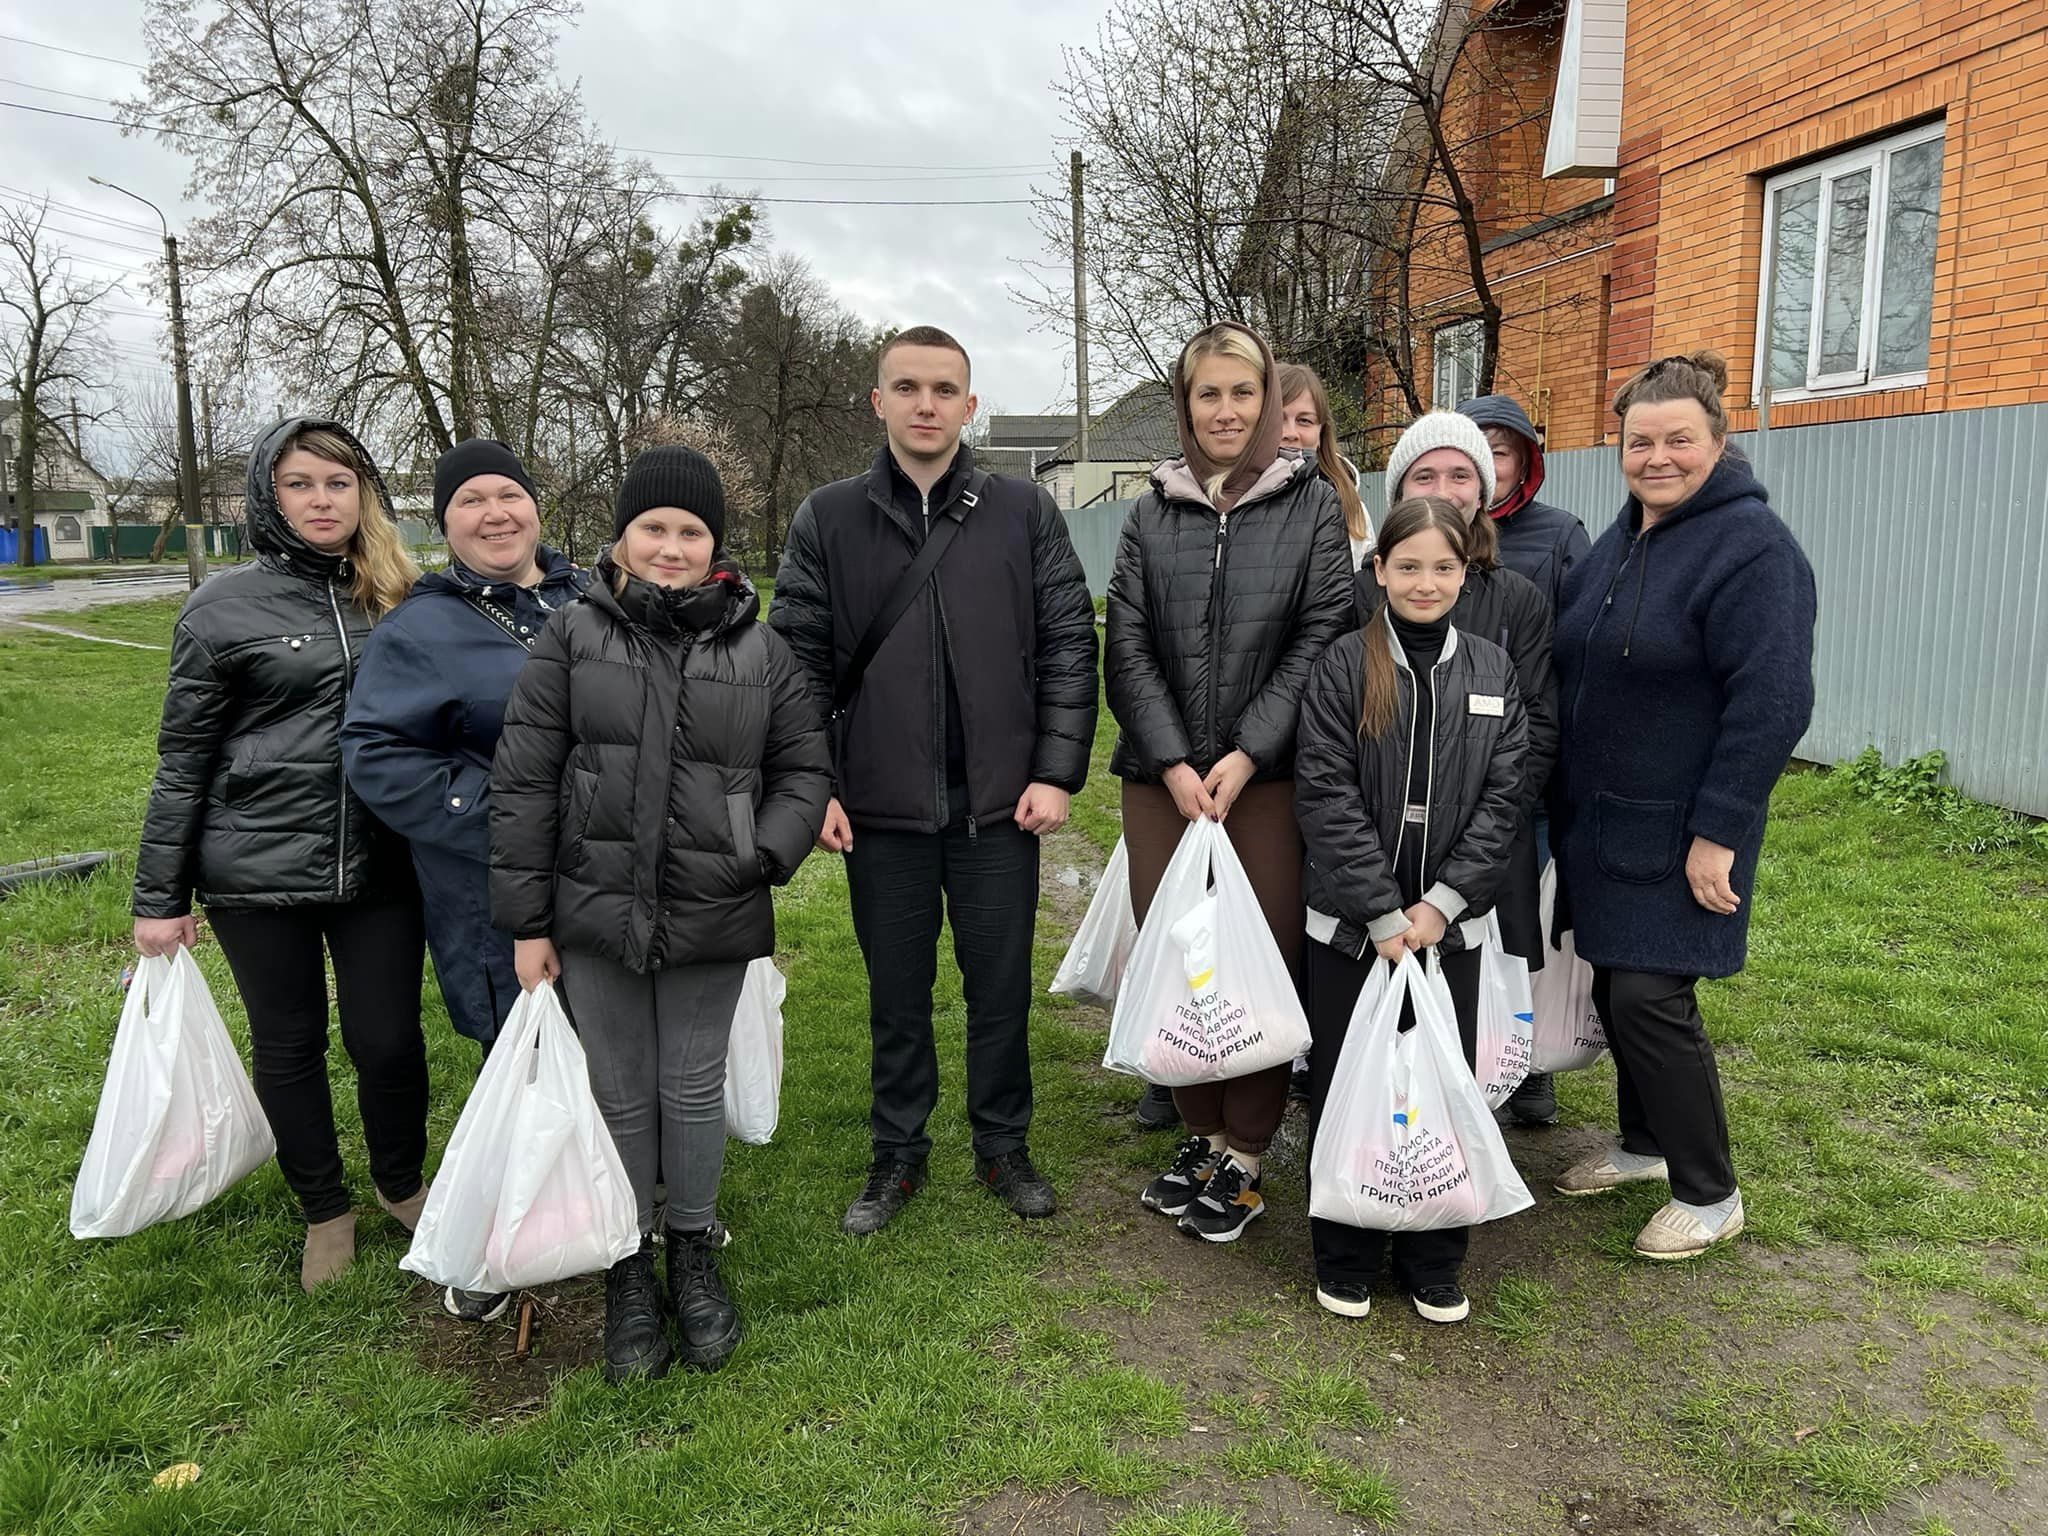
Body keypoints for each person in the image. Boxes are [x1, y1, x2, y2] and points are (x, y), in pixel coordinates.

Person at [491, 445, 831, 1380]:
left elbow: (805, 768)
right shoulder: (569, 636)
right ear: (621, 538)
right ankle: (627, 1262)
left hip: (713, 907)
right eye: (654, 529)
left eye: (690, 531)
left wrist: (760, 852)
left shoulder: (761, 651)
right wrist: (528, 922)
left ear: (715, 545)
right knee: (618, 1088)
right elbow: (523, 782)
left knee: (689, 1086)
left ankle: (692, 1246)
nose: (671, 547)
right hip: (593, 906)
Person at [768, 325, 1099, 1236]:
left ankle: (1003, 1146)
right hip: (880, 809)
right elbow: (794, 664)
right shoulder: (827, 517)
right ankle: (897, 1155)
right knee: (897, 995)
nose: (926, 404)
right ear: (878, 402)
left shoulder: (1023, 510)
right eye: (907, 387)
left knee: (1000, 991)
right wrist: (816, 784)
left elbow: (1071, 641)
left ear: (969, 404)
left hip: (1000, 808)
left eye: (944, 389)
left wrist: (1056, 770)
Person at [130, 418, 426, 1292]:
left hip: (381, 865)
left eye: (338, 483)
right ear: (270, 494)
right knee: (288, 1043)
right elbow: (183, 759)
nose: (321, 500)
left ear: (363, 493)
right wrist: (159, 897)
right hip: (255, 868)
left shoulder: (401, 594)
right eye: (301, 483)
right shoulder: (221, 606)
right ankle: (324, 1210)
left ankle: (401, 1183)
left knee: (388, 1040)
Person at [1550, 350, 1816, 1261]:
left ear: (1718, 442)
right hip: (1605, 820)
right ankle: (1643, 1145)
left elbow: (1773, 701)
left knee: (1652, 997)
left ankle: (1711, 1191)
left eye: (1679, 441)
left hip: (1683, 827)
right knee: (1620, 984)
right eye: (1640, 441)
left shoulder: (1753, 551)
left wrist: (1719, 834)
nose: (1658, 457)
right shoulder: (1625, 538)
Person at [1108, 320, 1352, 1243]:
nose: (1224, 411)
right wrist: (1171, 759)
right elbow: (1123, 644)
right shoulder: (1150, 512)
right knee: (1181, 959)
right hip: (1160, 782)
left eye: (1240, 393)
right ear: (1185, 403)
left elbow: (1322, 634)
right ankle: (1199, 1134)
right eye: (1206, 393)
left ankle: (1247, 1151)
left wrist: (1247, 752)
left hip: (1270, 780)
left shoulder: (1310, 508)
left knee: (1256, 964)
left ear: (1264, 402)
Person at [341, 437, 584, 1324]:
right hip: (492, 881)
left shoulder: (588, 599)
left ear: (535, 508)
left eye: (509, 495)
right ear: (443, 522)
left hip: (605, 871)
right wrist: (506, 815)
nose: (495, 514)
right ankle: (496, 1239)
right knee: (516, 1056)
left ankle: (621, 1205)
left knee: (609, 1046)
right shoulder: (421, 627)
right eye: (471, 500)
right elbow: (377, 753)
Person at [1295, 495, 1529, 1322]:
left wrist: (1441, 904)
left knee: (1439, 1081)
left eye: (1443, 567)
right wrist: (1383, 914)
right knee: (1345, 1081)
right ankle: (1347, 1247)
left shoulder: (1495, 672)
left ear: (1466, 572)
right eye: (1408, 566)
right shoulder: (1339, 669)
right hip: (1352, 932)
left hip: (1449, 931)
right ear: (1380, 570)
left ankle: (1433, 1251)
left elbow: (1505, 802)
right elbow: (1324, 797)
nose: (1425, 582)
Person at [1368, 411, 1561, 1126]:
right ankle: (1379, 1123)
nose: (1445, 489)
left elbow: (1537, 726)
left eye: (1461, 474)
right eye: (1426, 475)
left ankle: (1477, 1107)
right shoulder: (1367, 593)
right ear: (1400, 489)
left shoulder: (1515, 600)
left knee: (1475, 991)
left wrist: (1494, 823)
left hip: (1482, 840)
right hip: (1383, 837)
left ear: (1484, 490)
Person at [1451, 396, 1588, 1125]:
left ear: (1522, 463)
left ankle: (1526, 1064)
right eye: (1478, 448)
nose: (1489, 464)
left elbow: (1568, 656)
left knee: (1517, 929)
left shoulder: (1558, 537)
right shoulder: (1417, 540)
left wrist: (1529, 773)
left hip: (1522, 778)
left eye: (1503, 451)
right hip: (1441, 778)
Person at [1455, 395, 1591, 613]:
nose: (1482, 465)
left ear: (1524, 467)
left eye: (1497, 453)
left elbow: (1581, 627)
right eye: (1469, 451)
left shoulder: (1562, 536)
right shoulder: (1422, 529)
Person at [1278, 362, 1373, 564]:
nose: (1290, 433)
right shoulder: (1230, 500)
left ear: (1321, 432)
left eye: (1304, 421)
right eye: (1278, 419)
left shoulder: (1351, 507)